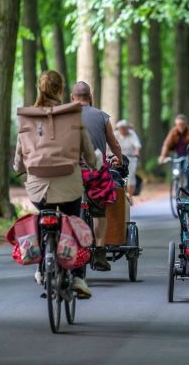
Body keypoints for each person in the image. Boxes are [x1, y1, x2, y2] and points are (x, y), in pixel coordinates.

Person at [14, 70, 96, 298]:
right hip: (69, 185)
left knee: (43, 217)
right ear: (61, 91)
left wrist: (19, 169)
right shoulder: (73, 115)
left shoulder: (27, 117)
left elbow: (20, 156)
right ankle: (78, 276)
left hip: (38, 188)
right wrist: (95, 164)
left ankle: (42, 268)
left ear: (39, 89)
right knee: (74, 221)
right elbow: (88, 152)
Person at [71, 81, 123, 272]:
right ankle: (100, 252)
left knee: (68, 208)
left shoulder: (64, 115)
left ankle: (71, 247)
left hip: (71, 169)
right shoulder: (102, 116)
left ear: (72, 97)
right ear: (90, 97)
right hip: (95, 168)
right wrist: (119, 160)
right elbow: (114, 143)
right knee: (99, 210)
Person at [158, 114, 189, 192]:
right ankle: (177, 188)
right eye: (178, 125)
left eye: (182, 124)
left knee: (187, 169)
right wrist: (162, 156)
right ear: (176, 125)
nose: (180, 126)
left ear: (185, 124)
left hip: (187, 154)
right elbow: (167, 144)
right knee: (176, 171)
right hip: (178, 154)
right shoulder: (173, 132)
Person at [110, 119, 141, 201]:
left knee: (131, 176)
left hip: (130, 158)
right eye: (121, 128)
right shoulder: (115, 134)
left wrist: (136, 152)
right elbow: (109, 145)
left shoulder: (132, 134)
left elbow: (137, 145)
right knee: (116, 175)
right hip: (118, 158)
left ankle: (131, 196)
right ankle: (118, 195)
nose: (123, 130)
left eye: (124, 128)